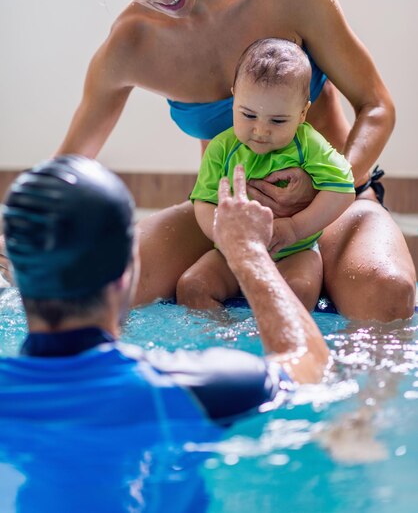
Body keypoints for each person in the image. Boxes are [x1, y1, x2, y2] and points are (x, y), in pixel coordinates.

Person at [3, 0, 412, 320]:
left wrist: (328, 187)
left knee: (385, 290)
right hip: (225, 217)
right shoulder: (130, 47)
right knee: (87, 285)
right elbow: (70, 164)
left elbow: (376, 105)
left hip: (334, 202)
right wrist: (24, 230)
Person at [1, 155, 329, 417]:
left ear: (17, 276)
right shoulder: (191, 390)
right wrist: (248, 252)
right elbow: (310, 365)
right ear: (127, 271)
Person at [179, 38, 355, 311]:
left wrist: (295, 228)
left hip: (294, 253)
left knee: (298, 292)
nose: (261, 130)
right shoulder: (221, 148)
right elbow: (204, 201)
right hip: (233, 253)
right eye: (248, 115)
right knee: (192, 286)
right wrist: (222, 233)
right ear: (234, 97)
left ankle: (278, 349)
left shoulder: (308, 145)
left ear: (301, 114)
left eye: (277, 120)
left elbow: (343, 190)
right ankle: (224, 347)